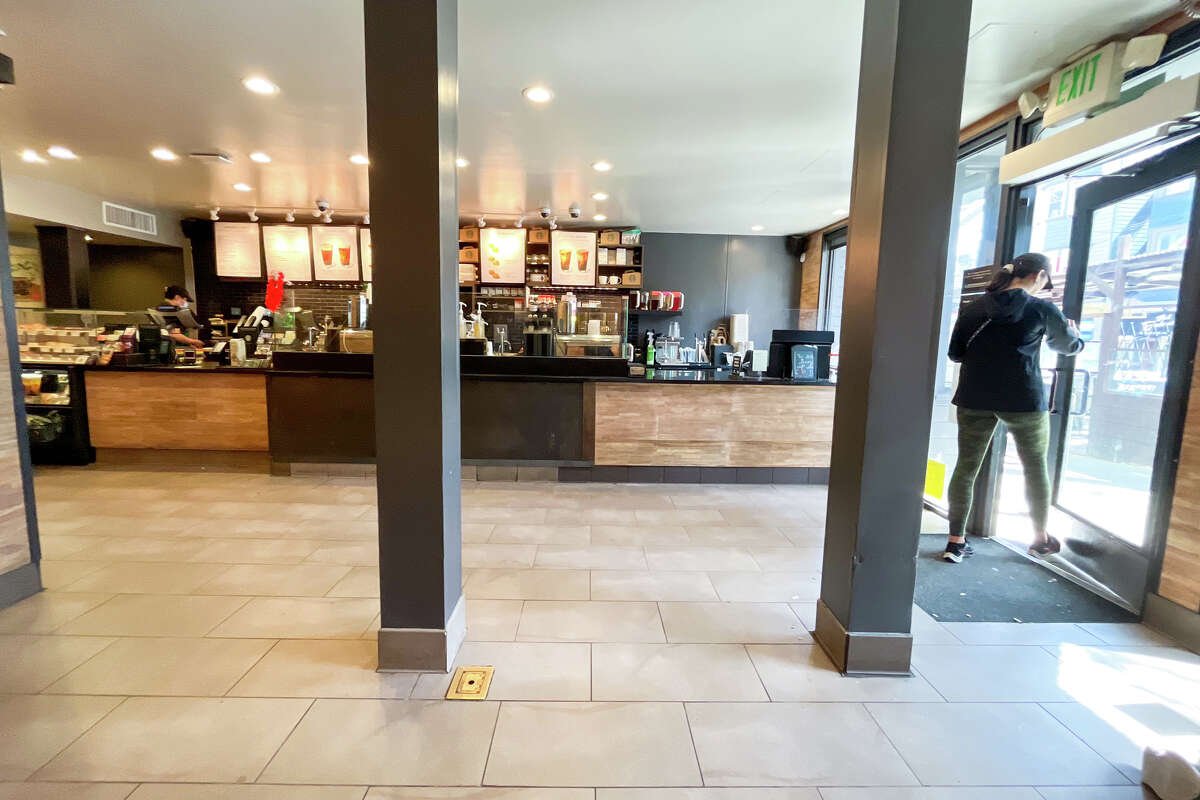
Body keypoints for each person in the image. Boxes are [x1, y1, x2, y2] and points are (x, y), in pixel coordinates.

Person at [942, 252, 1083, 563]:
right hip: (1023, 400)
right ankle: (1039, 539)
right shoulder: (1041, 308)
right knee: (1034, 468)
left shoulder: (974, 307)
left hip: (974, 397)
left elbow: (955, 353)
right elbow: (1066, 346)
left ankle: (955, 541)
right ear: (1039, 276)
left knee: (966, 468)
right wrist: (1074, 334)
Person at [159, 285, 206, 349]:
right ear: (177, 297)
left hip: (166, 347)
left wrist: (188, 344)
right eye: (184, 300)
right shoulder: (171, 311)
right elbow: (174, 334)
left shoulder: (160, 308)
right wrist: (193, 341)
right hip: (171, 348)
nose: (185, 303)